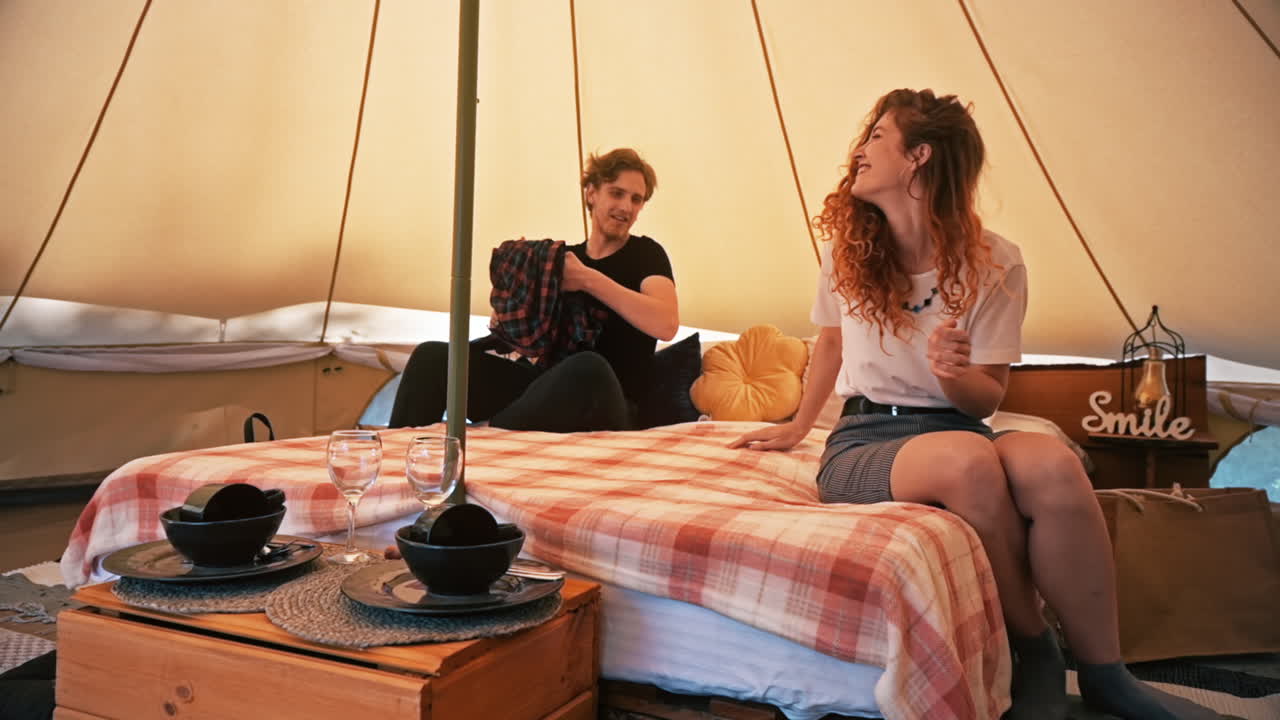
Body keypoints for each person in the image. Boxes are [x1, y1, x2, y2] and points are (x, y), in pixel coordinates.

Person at [730, 89, 1217, 720]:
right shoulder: (846, 254)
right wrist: (797, 426)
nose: (861, 149)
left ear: (919, 157)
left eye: (878, 136)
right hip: (864, 440)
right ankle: (1034, 647)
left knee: (1052, 466)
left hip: (958, 425)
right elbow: (828, 342)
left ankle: (1105, 671)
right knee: (967, 463)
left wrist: (954, 373)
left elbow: (988, 396)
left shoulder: (996, 262)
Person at [389, 147, 678, 432]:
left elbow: (666, 324)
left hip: (609, 404)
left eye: (636, 199)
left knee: (588, 367)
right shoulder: (560, 261)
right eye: (617, 193)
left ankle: (490, 433)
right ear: (592, 193)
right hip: (544, 393)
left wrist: (587, 279)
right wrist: (510, 312)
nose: (626, 207)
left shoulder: (646, 254)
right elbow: (534, 336)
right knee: (434, 359)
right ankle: (395, 461)